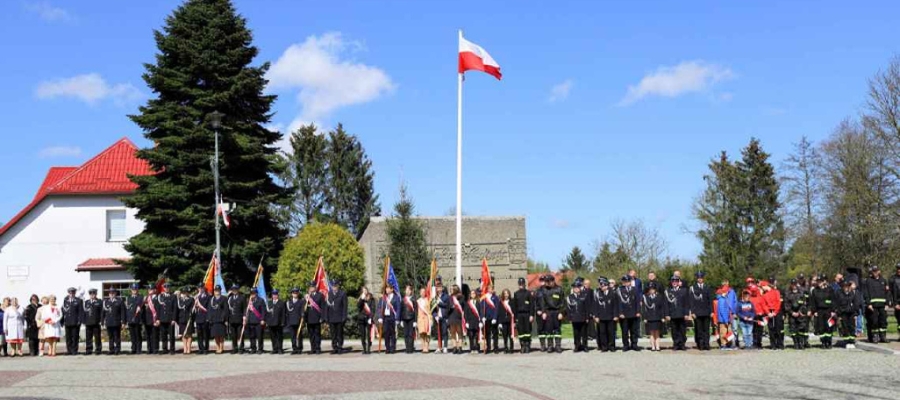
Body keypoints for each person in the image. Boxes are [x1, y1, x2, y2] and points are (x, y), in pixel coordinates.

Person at [862, 266, 890, 343]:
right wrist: (868, 304)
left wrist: (887, 303)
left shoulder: (883, 281)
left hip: (882, 305)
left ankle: (883, 336)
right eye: (873, 271)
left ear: (879, 271)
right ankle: (875, 336)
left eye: (876, 271)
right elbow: (866, 293)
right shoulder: (868, 281)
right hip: (872, 306)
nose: (874, 273)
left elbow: (887, 293)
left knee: (883, 321)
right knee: (874, 321)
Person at [689, 271, 713, 351]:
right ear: (697, 279)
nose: (700, 279)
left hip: (706, 312)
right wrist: (692, 312)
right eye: (699, 278)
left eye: (701, 278)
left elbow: (710, 300)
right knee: (699, 329)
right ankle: (700, 344)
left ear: (703, 279)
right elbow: (691, 301)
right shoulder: (693, 288)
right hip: (697, 313)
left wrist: (712, 311)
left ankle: (707, 344)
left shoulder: (707, 287)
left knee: (706, 329)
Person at [593, 277, 618, 352]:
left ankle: (612, 346)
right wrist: (596, 316)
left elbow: (615, 305)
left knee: (611, 332)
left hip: (611, 316)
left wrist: (616, 315)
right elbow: (595, 306)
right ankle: (604, 347)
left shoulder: (613, 293)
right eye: (601, 286)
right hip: (601, 317)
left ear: (607, 286)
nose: (602, 287)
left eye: (604, 286)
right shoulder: (598, 294)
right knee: (602, 332)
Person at [810, 275, 836, 349]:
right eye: (817, 281)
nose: (819, 283)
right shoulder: (815, 291)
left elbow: (833, 300)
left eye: (820, 281)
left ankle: (829, 342)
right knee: (821, 328)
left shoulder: (830, 289)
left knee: (829, 326)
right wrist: (814, 311)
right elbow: (813, 302)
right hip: (819, 311)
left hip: (828, 310)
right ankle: (823, 342)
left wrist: (833, 310)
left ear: (823, 281)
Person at [617, 275, 640, 352]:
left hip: (633, 313)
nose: (626, 283)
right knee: (625, 331)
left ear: (630, 282)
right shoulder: (620, 290)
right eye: (624, 281)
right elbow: (619, 303)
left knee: (634, 330)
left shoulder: (635, 289)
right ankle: (626, 345)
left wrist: (638, 311)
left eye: (627, 281)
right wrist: (620, 312)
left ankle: (634, 344)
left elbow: (637, 302)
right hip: (624, 314)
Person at [785, 279, 810, 349]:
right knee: (793, 330)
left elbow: (804, 304)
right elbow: (786, 306)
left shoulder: (801, 293)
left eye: (795, 284)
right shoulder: (788, 294)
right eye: (793, 284)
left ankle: (801, 343)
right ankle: (795, 343)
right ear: (791, 285)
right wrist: (792, 313)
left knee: (801, 329)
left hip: (800, 314)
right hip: (792, 315)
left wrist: (800, 312)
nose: (794, 286)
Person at [542, 275, 565, 353]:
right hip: (548, 312)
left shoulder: (559, 289)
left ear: (552, 281)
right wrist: (544, 312)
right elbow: (543, 303)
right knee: (549, 330)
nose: (546, 283)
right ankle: (550, 346)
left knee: (557, 329)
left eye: (547, 282)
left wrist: (561, 312)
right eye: (545, 282)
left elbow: (563, 302)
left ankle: (558, 346)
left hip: (557, 312)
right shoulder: (544, 290)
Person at [664, 276, 688, 351]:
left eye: (676, 281)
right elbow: (666, 304)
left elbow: (686, 303)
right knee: (674, 330)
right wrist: (667, 314)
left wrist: (686, 313)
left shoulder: (683, 291)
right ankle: (676, 344)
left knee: (682, 330)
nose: (674, 282)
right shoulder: (668, 291)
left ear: (678, 282)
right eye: (673, 281)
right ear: (671, 282)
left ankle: (682, 344)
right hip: (672, 314)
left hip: (681, 314)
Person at [642, 282, 667, 352]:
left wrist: (663, 317)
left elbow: (662, 308)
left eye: (653, 289)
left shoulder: (659, 296)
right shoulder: (645, 297)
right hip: (649, 318)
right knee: (651, 333)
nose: (651, 290)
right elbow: (644, 308)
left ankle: (658, 346)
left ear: (655, 289)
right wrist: (644, 317)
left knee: (657, 333)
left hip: (658, 317)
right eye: (650, 289)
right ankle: (653, 346)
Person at [512, 277, 534, 353]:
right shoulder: (516, 294)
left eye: (522, 284)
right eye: (520, 284)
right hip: (519, 315)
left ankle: (527, 345)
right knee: (521, 331)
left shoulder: (528, 293)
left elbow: (532, 305)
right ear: (518, 284)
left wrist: (531, 315)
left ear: (525, 284)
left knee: (527, 330)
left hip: (527, 314)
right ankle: (522, 345)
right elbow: (514, 307)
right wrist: (515, 318)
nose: (521, 285)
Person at [326, 280, 347, 354]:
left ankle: (340, 347)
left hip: (339, 317)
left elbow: (345, 306)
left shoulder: (342, 293)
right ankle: (334, 347)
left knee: (339, 334)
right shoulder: (329, 293)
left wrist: (344, 316)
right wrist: (327, 317)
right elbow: (327, 306)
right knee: (333, 334)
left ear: (338, 286)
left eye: (335, 286)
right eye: (333, 286)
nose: (334, 287)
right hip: (331, 317)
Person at [378, 284, 401, 354]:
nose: (387, 290)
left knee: (393, 333)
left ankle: (393, 348)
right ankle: (387, 348)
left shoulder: (396, 297)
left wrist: (397, 318)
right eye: (386, 289)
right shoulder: (383, 298)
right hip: (385, 317)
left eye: (388, 288)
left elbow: (398, 308)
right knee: (386, 333)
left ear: (392, 289)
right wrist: (380, 317)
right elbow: (379, 308)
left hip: (392, 317)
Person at [762, 278, 785, 350]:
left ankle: (780, 344)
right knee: (771, 329)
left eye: (763, 287)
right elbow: (764, 305)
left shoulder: (776, 292)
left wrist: (775, 312)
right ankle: (773, 344)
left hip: (777, 312)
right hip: (769, 313)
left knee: (779, 329)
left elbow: (779, 302)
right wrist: (768, 313)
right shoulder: (764, 295)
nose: (762, 288)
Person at [836, 280, 859, 348]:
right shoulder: (840, 294)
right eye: (845, 286)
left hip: (851, 313)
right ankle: (846, 342)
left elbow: (856, 304)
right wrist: (839, 314)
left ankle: (851, 341)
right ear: (843, 287)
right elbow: (838, 304)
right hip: (843, 313)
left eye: (848, 286)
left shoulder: (852, 293)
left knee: (852, 327)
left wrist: (855, 314)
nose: (846, 288)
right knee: (845, 327)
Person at [102, 288, 126, 355]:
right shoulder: (106, 302)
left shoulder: (119, 301)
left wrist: (123, 322)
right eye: (110, 293)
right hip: (109, 322)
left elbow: (123, 312)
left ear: (115, 294)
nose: (111, 294)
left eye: (113, 293)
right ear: (109, 294)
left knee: (117, 337)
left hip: (116, 322)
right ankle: (111, 349)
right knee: (110, 337)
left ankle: (117, 349)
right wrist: (102, 322)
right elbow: (103, 313)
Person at [567, 279, 589, 352]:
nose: (576, 289)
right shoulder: (570, 297)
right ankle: (577, 346)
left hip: (583, 317)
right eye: (574, 288)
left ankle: (585, 346)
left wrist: (587, 317)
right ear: (573, 289)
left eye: (577, 288)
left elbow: (587, 307)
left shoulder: (584, 296)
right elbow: (568, 309)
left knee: (584, 333)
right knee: (576, 333)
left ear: (580, 288)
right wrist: (569, 318)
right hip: (574, 318)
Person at [715, 279, 736, 350]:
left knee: (729, 331)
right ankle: (723, 344)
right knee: (723, 332)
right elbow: (722, 311)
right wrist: (725, 320)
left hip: (728, 318)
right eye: (727, 291)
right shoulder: (721, 300)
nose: (728, 292)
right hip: (723, 319)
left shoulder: (725, 299)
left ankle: (729, 344)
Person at [61, 287, 83, 356]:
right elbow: (63, 311)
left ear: (75, 293)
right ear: (68, 293)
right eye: (70, 293)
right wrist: (62, 321)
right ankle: (69, 350)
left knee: (75, 337)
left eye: (73, 292)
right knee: (68, 337)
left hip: (75, 322)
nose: (71, 294)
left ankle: (74, 350)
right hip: (67, 321)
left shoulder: (79, 300)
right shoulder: (65, 300)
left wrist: (79, 321)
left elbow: (81, 311)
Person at [305, 281, 326, 354]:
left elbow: (323, 307)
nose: (311, 288)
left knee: (317, 334)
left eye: (312, 287)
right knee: (311, 335)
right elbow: (304, 308)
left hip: (317, 318)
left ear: (315, 287)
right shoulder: (307, 296)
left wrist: (322, 317)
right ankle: (312, 348)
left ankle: (318, 348)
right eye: (310, 287)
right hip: (309, 318)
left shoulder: (320, 295)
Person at [245, 288, 267, 354]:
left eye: (254, 293)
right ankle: (253, 348)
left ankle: (260, 349)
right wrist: (245, 318)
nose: (253, 294)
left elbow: (263, 311)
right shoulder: (248, 301)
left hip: (258, 321)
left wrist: (263, 319)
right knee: (252, 336)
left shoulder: (261, 300)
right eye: (252, 293)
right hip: (250, 321)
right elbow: (246, 311)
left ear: (257, 293)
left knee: (259, 336)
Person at [226, 284, 246, 354]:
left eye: (235, 289)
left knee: (240, 334)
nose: (234, 291)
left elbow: (244, 308)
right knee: (233, 335)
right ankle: (234, 348)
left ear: (238, 290)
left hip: (239, 319)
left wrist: (244, 317)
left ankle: (241, 348)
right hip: (231, 319)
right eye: (233, 290)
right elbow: (227, 308)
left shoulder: (242, 297)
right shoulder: (230, 298)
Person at [83, 288, 103, 355]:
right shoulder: (86, 302)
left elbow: (101, 312)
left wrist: (101, 321)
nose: (92, 295)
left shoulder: (99, 302)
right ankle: (89, 350)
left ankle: (98, 350)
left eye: (93, 294)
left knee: (97, 337)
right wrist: (84, 321)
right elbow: (85, 312)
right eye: (91, 294)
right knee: (88, 337)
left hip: (96, 322)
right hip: (88, 322)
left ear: (96, 294)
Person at [433, 276, 451, 353]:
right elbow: (432, 309)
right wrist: (435, 316)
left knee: (444, 332)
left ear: (442, 288)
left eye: (440, 287)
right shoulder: (434, 297)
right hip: (438, 317)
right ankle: (439, 347)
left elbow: (447, 306)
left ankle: (445, 347)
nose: (439, 289)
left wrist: (439, 303)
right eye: (437, 288)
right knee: (438, 332)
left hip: (444, 316)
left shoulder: (446, 296)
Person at [285, 287, 305, 355]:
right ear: (291, 294)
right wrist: (287, 323)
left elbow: (302, 311)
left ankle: (299, 348)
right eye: (293, 293)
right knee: (292, 336)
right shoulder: (288, 302)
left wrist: (302, 321)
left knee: (299, 336)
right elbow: (287, 314)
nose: (295, 294)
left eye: (296, 293)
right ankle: (294, 348)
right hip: (291, 322)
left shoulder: (301, 302)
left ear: (298, 293)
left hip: (298, 322)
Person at [176, 287, 195, 355]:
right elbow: (178, 309)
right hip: (181, 318)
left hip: (188, 318)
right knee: (183, 334)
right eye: (183, 292)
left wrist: (191, 317)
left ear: (188, 293)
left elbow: (191, 308)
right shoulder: (180, 300)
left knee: (189, 334)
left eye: (186, 292)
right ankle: (185, 348)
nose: (184, 294)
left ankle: (189, 348)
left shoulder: (191, 299)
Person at [125, 283, 144, 355]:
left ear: (137, 289)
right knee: (132, 335)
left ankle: (139, 349)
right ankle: (133, 348)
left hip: (137, 319)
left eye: (135, 289)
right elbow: (127, 309)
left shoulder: (140, 297)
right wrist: (127, 320)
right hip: (130, 319)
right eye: (133, 289)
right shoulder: (128, 298)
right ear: (131, 290)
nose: (134, 290)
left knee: (138, 335)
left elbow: (141, 306)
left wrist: (140, 308)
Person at [481, 285, 500, 354]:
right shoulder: (484, 297)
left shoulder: (496, 297)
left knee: (495, 333)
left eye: (491, 289)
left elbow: (497, 308)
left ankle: (495, 347)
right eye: (488, 288)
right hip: (487, 318)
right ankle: (488, 347)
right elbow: (482, 308)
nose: (490, 290)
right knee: (487, 334)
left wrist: (495, 317)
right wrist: (482, 316)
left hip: (493, 318)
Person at [209, 285, 228, 354]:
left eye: (218, 290)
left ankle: (221, 348)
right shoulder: (212, 299)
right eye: (216, 290)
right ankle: (217, 347)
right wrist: (209, 318)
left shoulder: (224, 298)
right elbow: (210, 309)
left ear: (220, 291)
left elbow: (226, 310)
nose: (217, 292)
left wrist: (225, 319)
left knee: (221, 335)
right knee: (216, 335)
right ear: (214, 291)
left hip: (221, 320)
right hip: (214, 320)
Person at [266, 289, 286, 355]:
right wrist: (267, 322)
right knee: (272, 337)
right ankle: (274, 349)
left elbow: (283, 313)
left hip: (278, 323)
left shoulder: (281, 303)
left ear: (278, 295)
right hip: (271, 323)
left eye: (276, 294)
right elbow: (267, 313)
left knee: (279, 337)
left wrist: (283, 322)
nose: (274, 296)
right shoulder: (269, 303)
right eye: (273, 295)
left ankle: (280, 349)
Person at [447, 284, 465, 354]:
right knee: (453, 332)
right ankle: (454, 347)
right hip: (451, 316)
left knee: (459, 332)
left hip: (458, 316)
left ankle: (460, 347)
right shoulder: (449, 298)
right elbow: (447, 307)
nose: (450, 290)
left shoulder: (461, 297)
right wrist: (450, 307)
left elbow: (463, 306)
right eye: (450, 289)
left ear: (455, 290)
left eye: (452, 289)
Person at [400, 285, 417, 354]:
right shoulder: (403, 299)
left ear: (411, 291)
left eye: (408, 290)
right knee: (406, 334)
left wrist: (415, 321)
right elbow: (401, 310)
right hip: (404, 318)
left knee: (411, 334)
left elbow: (416, 311)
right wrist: (401, 319)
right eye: (406, 290)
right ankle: (407, 348)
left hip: (411, 319)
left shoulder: (413, 299)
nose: (407, 291)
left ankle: (411, 348)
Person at [143, 285, 160, 355]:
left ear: (154, 290)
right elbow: (143, 309)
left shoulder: (158, 298)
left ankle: (155, 349)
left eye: (151, 289)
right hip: (147, 319)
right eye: (149, 289)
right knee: (148, 335)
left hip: (154, 319)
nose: (150, 290)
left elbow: (159, 310)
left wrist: (158, 319)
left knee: (155, 335)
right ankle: (149, 348)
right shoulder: (146, 298)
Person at [194, 285, 211, 355]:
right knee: (199, 334)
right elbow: (195, 308)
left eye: (201, 288)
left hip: (204, 317)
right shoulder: (196, 297)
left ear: (204, 288)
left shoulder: (208, 297)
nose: (200, 289)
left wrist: (208, 318)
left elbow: (208, 308)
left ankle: (206, 349)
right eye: (199, 288)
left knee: (205, 334)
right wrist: (195, 304)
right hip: (198, 318)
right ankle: (200, 348)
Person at [497, 288, 514, 354]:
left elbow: (514, 311)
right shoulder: (501, 302)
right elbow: (499, 313)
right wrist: (500, 322)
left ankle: (511, 348)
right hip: (503, 321)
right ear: (503, 295)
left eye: (507, 293)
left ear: (509, 294)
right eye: (505, 294)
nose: (506, 295)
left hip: (510, 320)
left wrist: (515, 321)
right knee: (505, 335)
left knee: (511, 334)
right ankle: (505, 347)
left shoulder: (512, 301)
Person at [535, 275, 549, 351]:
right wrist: (538, 310)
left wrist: (545, 312)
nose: (542, 282)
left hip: (547, 313)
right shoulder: (537, 291)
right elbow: (535, 303)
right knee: (540, 329)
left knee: (548, 329)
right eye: (541, 280)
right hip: (539, 313)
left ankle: (550, 345)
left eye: (543, 280)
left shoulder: (549, 290)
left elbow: (550, 303)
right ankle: (542, 345)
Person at [416, 288, 431, 353]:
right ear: (420, 293)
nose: (422, 293)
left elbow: (430, 310)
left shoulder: (428, 300)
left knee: (427, 333)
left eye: (424, 292)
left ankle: (427, 347)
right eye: (421, 292)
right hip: (420, 319)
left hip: (427, 318)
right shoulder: (418, 301)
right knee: (421, 333)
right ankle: (423, 347)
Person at [891, 264, 900, 342]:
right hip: (898, 303)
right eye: (898, 268)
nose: (899, 270)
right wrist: (895, 303)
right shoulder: (893, 279)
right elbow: (892, 293)